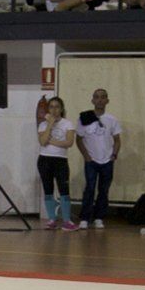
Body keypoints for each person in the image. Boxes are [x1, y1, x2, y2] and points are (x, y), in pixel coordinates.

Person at [76, 89, 122, 229]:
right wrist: (86, 156)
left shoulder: (112, 120)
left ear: (107, 100)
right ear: (92, 100)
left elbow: (117, 140)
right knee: (89, 188)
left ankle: (99, 217)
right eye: (97, 97)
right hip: (91, 160)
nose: (100, 100)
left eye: (103, 97)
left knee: (104, 189)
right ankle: (84, 218)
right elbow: (78, 139)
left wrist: (114, 154)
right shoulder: (84, 117)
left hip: (107, 161)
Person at [37, 96, 78, 231]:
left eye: (57, 107)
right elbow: (42, 142)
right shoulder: (43, 125)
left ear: (61, 109)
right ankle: (52, 219)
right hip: (45, 160)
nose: (54, 110)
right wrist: (50, 123)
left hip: (60, 161)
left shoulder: (68, 124)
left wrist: (52, 141)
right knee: (48, 190)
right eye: (51, 107)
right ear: (48, 109)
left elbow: (69, 143)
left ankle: (67, 221)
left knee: (64, 191)